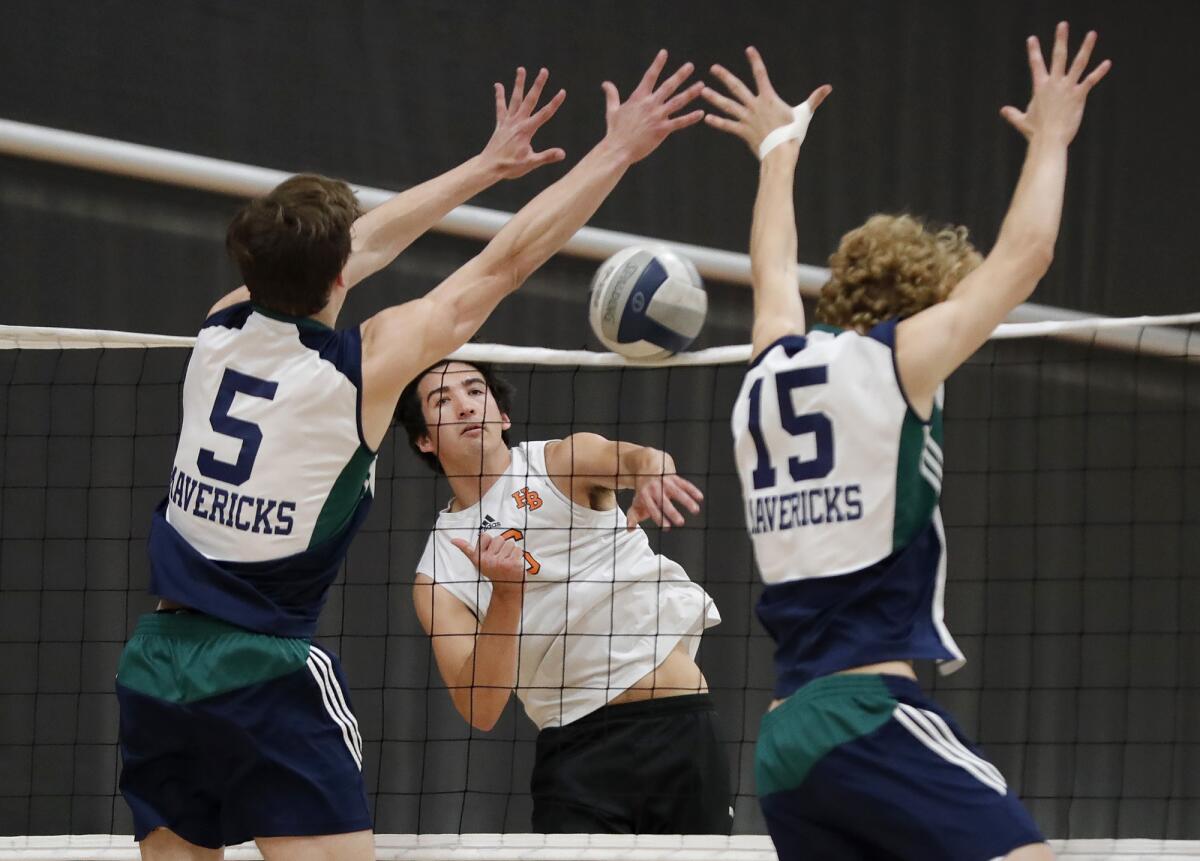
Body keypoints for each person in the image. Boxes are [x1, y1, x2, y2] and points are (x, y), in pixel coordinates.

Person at [115, 53, 706, 861]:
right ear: (337, 275)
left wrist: (483, 166)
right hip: (261, 664)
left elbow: (354, 247)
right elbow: (507, 261)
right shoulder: (358, 370)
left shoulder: (220, 325)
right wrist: (616, 151)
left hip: (155, 664)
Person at [703, 25, 1109, 861]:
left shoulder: (769, 365)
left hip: (786, 742)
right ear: (924, 304)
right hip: (868, 719)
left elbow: (772, 270)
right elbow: (1027, 256)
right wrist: (1054, 139)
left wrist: (779, 150)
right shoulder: (900, 361)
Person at [401, 359, 729, 834]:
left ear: (503, 415)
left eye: (475, 391)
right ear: (424, 440)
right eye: (443, 401)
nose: (466, 407)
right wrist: (507, 596)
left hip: (677, 726)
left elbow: (637, 457)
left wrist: (652, 473)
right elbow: (482, 707)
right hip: (576, 757)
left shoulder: (561, 462)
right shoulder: (437, 572)